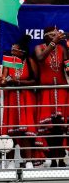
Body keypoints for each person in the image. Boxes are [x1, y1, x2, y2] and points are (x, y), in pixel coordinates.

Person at [0, 35, 38, 169]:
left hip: (26, 99)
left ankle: (28, 161)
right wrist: (4, 81)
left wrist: (19, 82)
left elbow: (35, 80)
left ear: (22, 51)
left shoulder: (29, 61)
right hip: (11, 100)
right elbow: (2, 80)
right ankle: (10, 162)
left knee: (26, 131)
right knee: (11, 131)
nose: (11, 51)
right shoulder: (8, 62)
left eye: (14, 49)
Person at [35, 26, 68, 167]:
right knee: (49, 126)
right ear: (46, 36)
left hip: (61, 91)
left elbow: (67, 67)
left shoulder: (62, 49)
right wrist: (53, 43)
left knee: (60, 127)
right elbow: (40, 58)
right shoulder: (39, 47)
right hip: (46, 92)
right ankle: (52, 159)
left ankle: (60, 158)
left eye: (57, 35)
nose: (55, 36)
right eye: (52, 35)